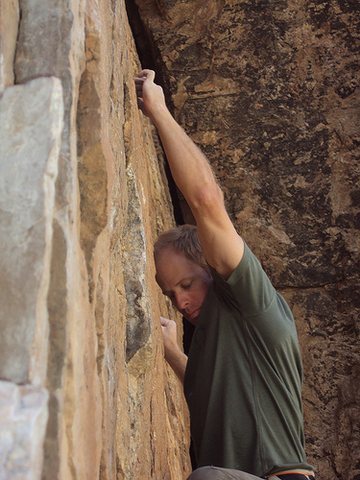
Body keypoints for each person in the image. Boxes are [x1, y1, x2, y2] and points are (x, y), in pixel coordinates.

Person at [135, 69, 315, 480]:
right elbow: (208, 394)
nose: (180, 302)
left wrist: (159, 111)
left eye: (187, 284)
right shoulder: (219, 343)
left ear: (213, 270)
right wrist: (173, 353)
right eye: (170, 293)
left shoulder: (250, 304)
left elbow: (206, 200)